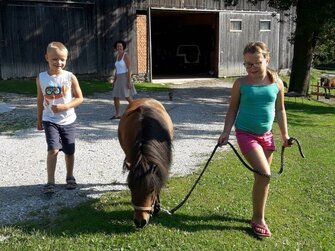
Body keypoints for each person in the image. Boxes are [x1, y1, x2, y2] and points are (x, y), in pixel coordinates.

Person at [218, 41, 290, 237]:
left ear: (267, 59)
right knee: (265, 175)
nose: (251, 68)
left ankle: (258, 213)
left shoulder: (277, 83)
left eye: (256, 63)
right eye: (247, 64)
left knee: (261, 178)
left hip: (267, 136)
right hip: (246, 134)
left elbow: (280, 109)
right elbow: (232, 109)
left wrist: (285, 135)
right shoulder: (240, 84)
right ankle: (258, 219)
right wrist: (225, 132)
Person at [36, 42, 84, 194]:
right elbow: (39, 100)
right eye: (54, 59)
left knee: (69, 151)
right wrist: (39, 119)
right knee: (53, 149)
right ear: (47, 58)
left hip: (68, 120)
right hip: (49, 120)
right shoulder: (41, 78)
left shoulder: (70, 77)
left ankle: (70, 176)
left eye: (62, 59)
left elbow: (80, 98)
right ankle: (50, 182)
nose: (59, 62)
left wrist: (65, 107)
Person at [110, 40, 136, 119]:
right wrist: (114, 81)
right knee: (115, 96)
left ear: (123, 47)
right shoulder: (117, 56)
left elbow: (129, 69)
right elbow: (117, 70)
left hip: (125, 77)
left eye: (120, 46)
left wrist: (129, 81)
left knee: (127, 96)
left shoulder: (125, 56)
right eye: (117, 46)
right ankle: (118, 114)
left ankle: (136, 109)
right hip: (118, 78)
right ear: (116, 48)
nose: (119, 48)